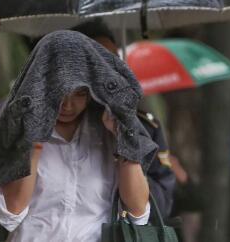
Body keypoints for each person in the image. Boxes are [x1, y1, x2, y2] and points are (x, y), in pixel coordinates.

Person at [0, 30, 158, 242]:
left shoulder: (107, 135)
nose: (68, 105)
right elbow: (11, 214)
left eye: (80, 94)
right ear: (42, 88)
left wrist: (123, 138)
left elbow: (138, 212)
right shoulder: (22, 131)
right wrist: (34, 141)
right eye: (60, 93)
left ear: (92, 92)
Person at [71, 20, 176, 219]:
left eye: (113, 60)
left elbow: (162, 203)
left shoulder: (144, 125)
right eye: (96, 61)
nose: (106, 70)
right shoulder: (61, 122)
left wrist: (128, 153)